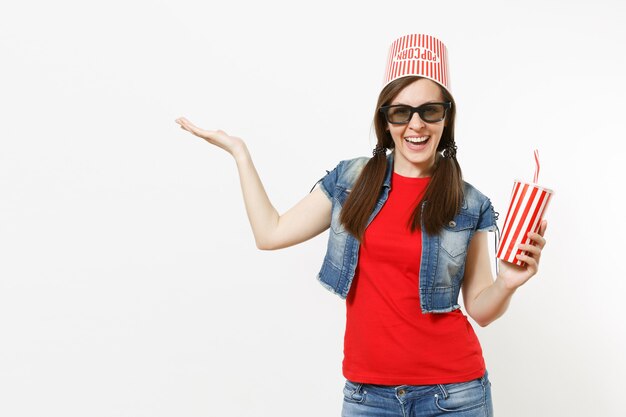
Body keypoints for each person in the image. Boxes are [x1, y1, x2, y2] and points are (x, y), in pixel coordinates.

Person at [175, 33, 547, 417]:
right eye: (401, 112)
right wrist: (240, 154)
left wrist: (505, 284)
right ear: (385, 121)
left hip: (453, 395)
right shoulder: (350, 182)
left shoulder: (468, 201)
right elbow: (270, 234)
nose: (415, 124)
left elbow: (480, 310)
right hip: (368, 398)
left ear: (446, 117)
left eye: (429, 111)